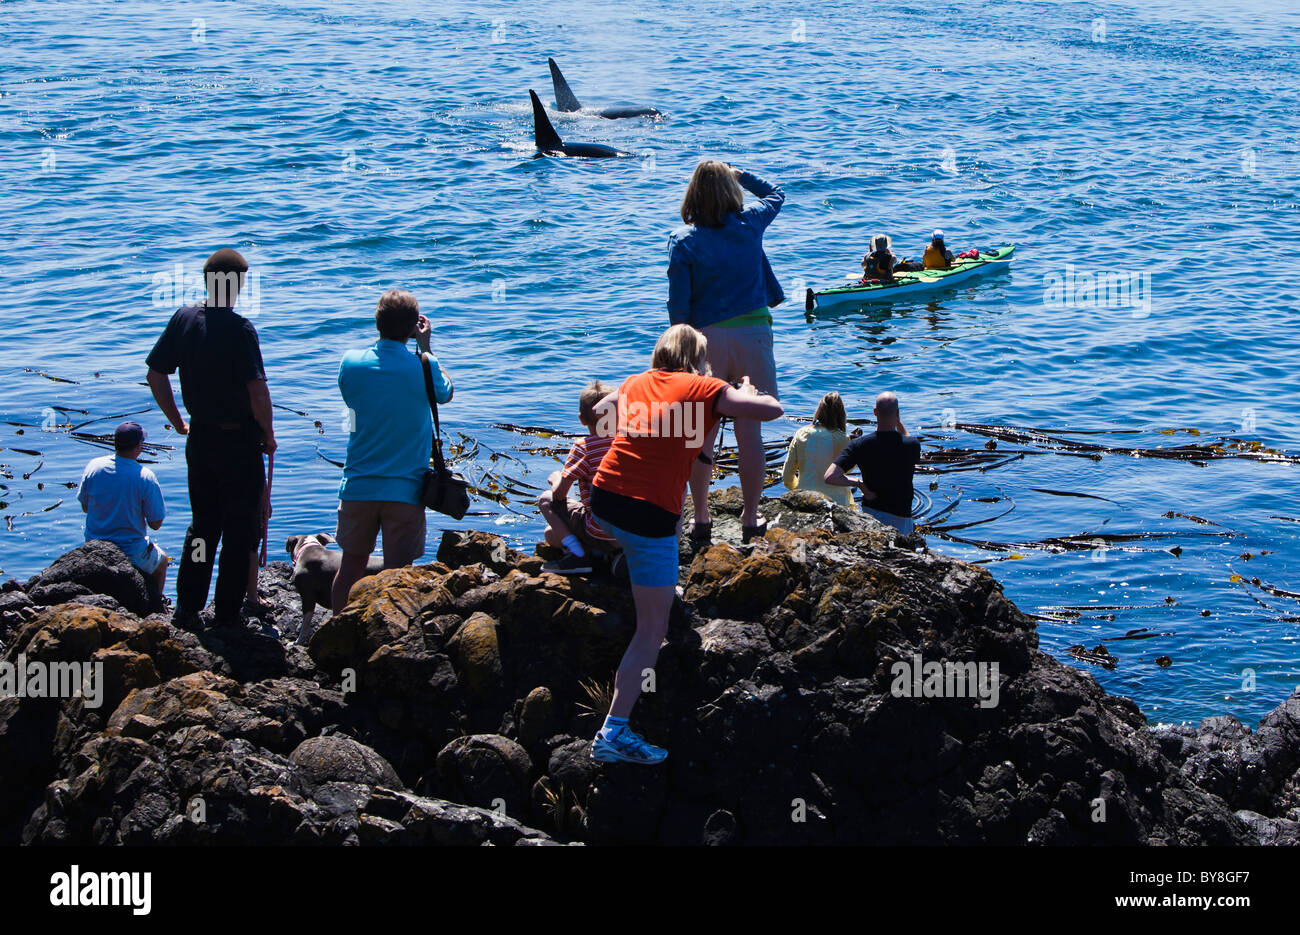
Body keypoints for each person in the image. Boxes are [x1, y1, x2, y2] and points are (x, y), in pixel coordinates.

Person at [589, 324, 783, 764]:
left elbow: (598, 411)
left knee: (654, 538)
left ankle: (639, 572)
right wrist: (749, 389)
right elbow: (771, 410)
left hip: (603, 502)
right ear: (697, 357)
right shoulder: (705, 386)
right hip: (646, 515)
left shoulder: (636, 381)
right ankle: (613, 733)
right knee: (650, 631)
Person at [146, 248, 275, 629]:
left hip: (200, 440)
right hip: (237, 444)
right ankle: (228, 613)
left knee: (203, 526)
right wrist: (269, 435)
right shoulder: (240, 330)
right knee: (239, 529)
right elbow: (257, 391)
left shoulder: (184, 318)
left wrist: (179, 421)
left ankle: (187, 606)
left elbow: (156, 374)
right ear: (235, 285)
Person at [667, 160, 785, 545]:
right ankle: (751, 519)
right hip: (753, 334)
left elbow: (678, 310)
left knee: (700, 431)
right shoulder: (751, 224)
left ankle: (701, 519)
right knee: (749, 430)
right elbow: (777, 193)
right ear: (731, 192)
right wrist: (741, 175)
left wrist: (682, 359)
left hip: (705, 342)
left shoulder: (684, 242)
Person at [331, 289, 453, 616]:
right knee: (398, 571)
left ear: (377, 322)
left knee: (350, 567)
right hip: (405, 489)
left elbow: (351, 398)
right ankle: (390, 637)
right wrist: (425, 349)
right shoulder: (423, 367)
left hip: (358, 485)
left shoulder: (351, 362)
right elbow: (446, 394)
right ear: (415, 327)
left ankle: (338, 630)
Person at [77, 422, 169, 602]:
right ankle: (156, 604)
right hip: (130, 551)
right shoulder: (145, 476)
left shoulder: (93, 466)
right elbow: (156, 524)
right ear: (138, 446)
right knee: (163, 560)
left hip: (94, 546)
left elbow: (85, 507)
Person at [539, 381, 619, 575]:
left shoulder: (583, 447)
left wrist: (557, 478)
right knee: (551, 534)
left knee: (545, 500)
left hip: (599, 530)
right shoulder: (627, 443)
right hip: (630, 532)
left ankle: (578, 556)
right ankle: (613, 556)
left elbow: (559, 495)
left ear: (582, 419)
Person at [824, 391, 921, 534]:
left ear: (875, 412)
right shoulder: (912, 444)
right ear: (897, 413)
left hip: (871, 515)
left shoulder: (859, 445)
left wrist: (858, 483)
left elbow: (830, 477)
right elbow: (907, 438)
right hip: (901, 517)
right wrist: (898, 422)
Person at [781, 392, 855, 509]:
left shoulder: (802, 433)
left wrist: (797, 489)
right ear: (841, 414)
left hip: (805, 498)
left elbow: (787, 476)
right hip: (837, 502)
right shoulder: (843, 438)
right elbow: (847, 470)